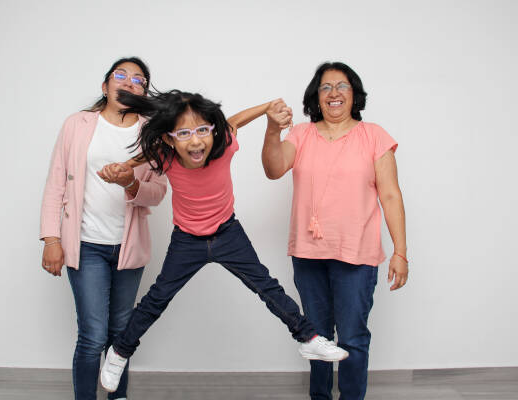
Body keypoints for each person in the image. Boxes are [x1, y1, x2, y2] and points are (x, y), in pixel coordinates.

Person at [96, 89, 350, 392]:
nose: (196, 141)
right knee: (157, 299)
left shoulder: (224, 142)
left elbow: (235, 120)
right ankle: (119, 352)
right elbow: (143, 155)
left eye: (203, 130)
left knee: (266, 286)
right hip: (187, 240)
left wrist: (267, 105)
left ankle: (309, 339)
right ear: (169, 139)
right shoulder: (164, 155)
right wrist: (123, 168)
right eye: (185, 133)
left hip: (228, 233)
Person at [261, 62, 408, 400]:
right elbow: (273, 169)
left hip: (357, 254)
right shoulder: (300, 134)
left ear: (354, 94)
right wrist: (272, 130)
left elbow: (390, 194)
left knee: (353, 337)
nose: (334, 93)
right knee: (316, 338)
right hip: (308, 255)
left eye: (342, 86)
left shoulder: (374, 136)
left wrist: (400, 251)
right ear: (317, 96)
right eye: (326, 87)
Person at [39, 57, 167, 400]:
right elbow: (56, 184)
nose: (128, 82)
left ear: (144, 92)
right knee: (93, 335)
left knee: (120, 334)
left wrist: (131, 183)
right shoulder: (77, 125)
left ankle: (118, 395)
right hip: (85, 244)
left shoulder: (152, 134)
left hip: (128, 250)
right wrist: (51, 238)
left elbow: (157, 193)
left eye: (139, 80)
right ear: (105, 85)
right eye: (120, 75)